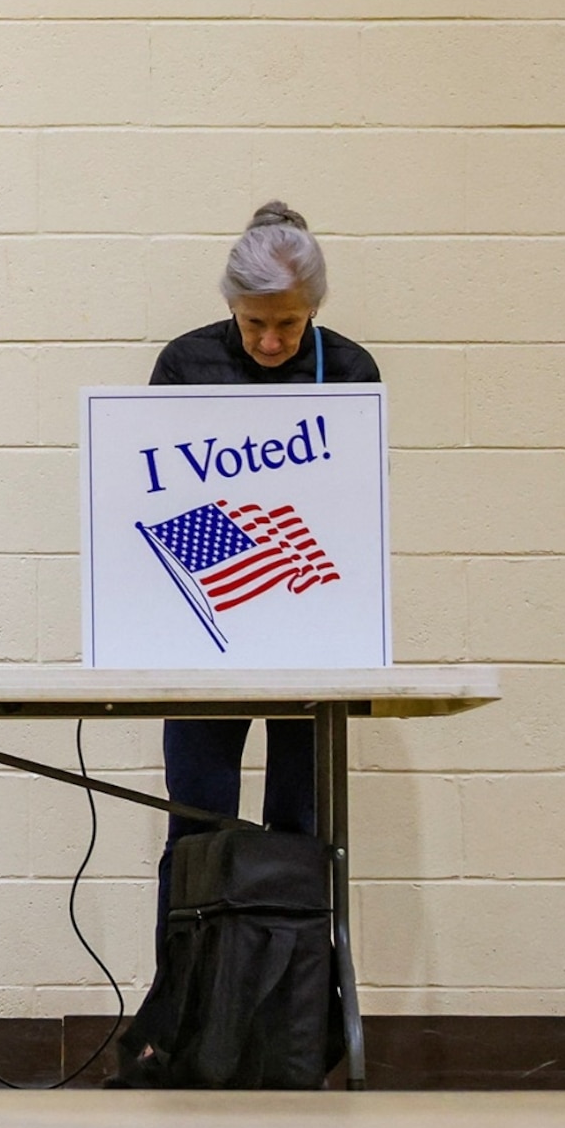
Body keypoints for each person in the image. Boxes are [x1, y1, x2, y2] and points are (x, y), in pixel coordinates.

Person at [148, 202, 381, 917]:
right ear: (230, 305)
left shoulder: (348, 369)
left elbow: (356, 512)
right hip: (209, 628)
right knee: (198, 826)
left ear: (314, 307)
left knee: (301, 829)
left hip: (315, 627)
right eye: (255, 323)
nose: (273, 340)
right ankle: (187, 1010)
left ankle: (293, 1012)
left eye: (289, 323)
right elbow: (157, 504)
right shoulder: (187, 364)